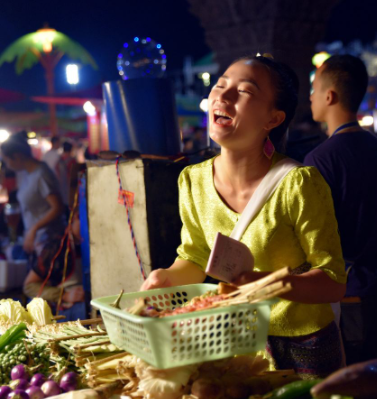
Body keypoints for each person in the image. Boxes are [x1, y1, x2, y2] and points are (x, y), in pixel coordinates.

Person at [141, 54, 347, 378]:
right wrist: (166, 278)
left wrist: (265, 285)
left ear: (273, 119)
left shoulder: (299, 184)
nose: (222, 96)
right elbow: (195, 256)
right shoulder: (192, 180)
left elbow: (333, 282)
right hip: (234, 342)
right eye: (220, 86)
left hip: (306, 347)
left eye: (245, 91)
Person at [305, 54, 377, 364]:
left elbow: (315, 237)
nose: (311, 96)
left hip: (345, 292)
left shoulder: (320, 159)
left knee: (348, 380)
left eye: (314, 89)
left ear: (330, 96)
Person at [0, 135, 85, 320]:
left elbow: (56, 207)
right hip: (40, 241)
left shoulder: (41, 173)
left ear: (16, 156)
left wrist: (33, 229)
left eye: (6, 159)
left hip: (49, 238)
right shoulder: (27, 175)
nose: (6, 164)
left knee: (54, 287)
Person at [55, 141, 77, 207]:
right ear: (71, 149)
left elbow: (57, 172)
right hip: (70, 187)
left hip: (61, 186)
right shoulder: (72, 161)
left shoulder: (59, 160)